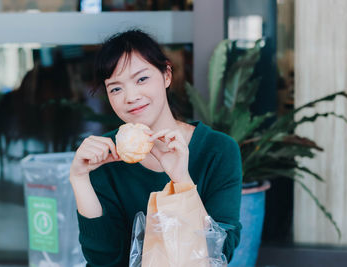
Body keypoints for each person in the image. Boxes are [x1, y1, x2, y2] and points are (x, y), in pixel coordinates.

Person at [70, 29, 242, 266]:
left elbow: (221, 252)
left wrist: (182, 180)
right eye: (116, 88)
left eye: (141, 79)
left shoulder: (219, 150)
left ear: (166, 75)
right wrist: (79, 178)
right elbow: (103, 260)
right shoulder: (105, 154)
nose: (131, 96)